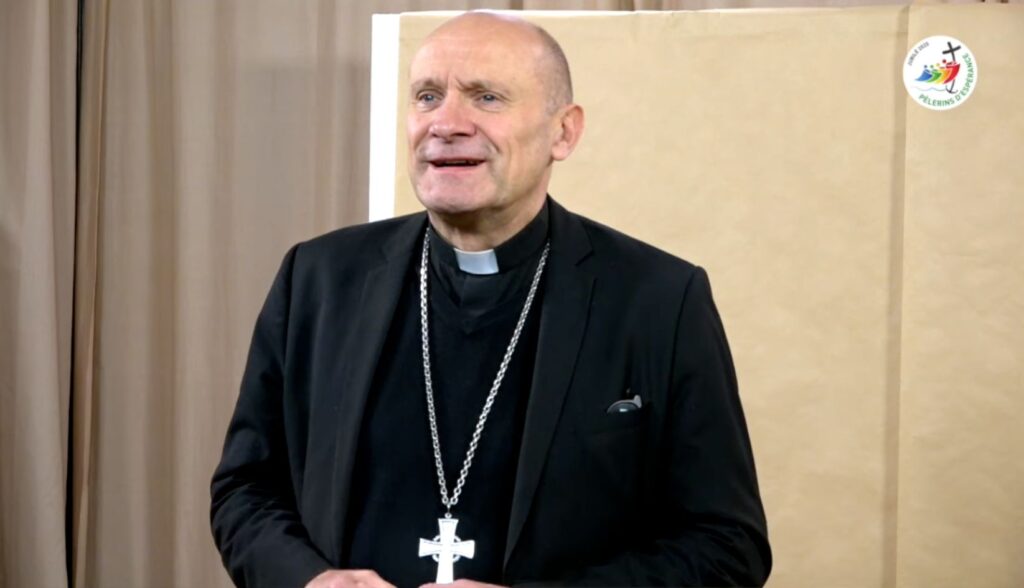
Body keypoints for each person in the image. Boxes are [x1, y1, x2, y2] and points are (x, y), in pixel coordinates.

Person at [211, 11, 770, 588]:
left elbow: (727, 546)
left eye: (486, 97)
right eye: (428, 96)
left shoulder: (658, 299)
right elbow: (245, 488)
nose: (446, 123)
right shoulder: (319, 278)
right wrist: (311, 581)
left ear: (563, 132)